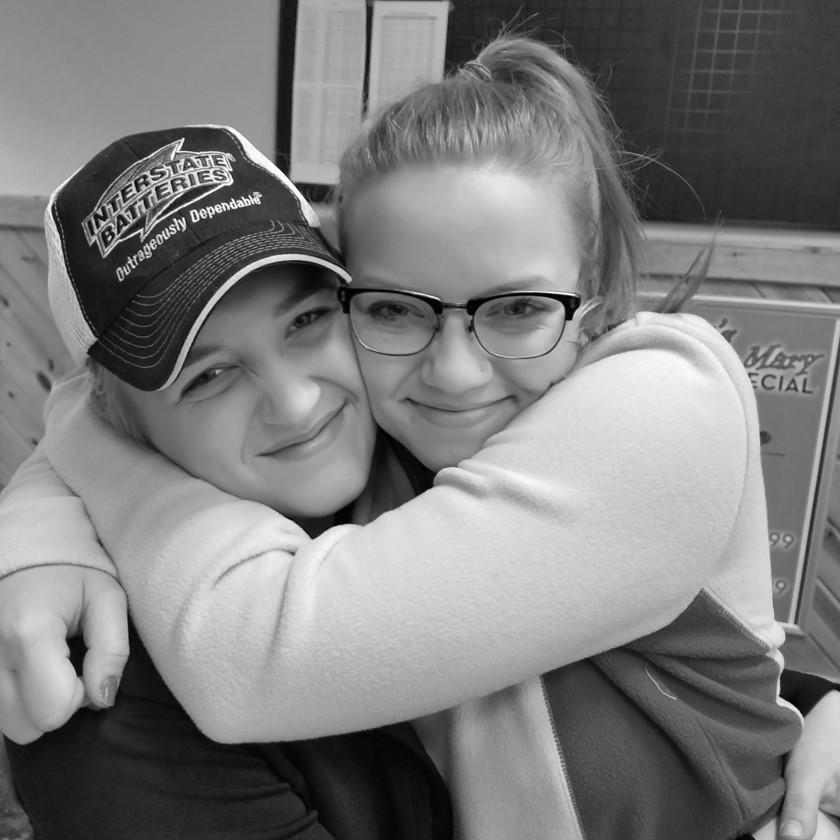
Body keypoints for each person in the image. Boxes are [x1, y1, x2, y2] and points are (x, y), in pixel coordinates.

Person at [1, 35, 839, 840]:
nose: (456, 373)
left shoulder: (665, 392)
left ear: (593, 294)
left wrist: (75, 448)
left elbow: (252, 655)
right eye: (396, 310)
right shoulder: (388, 450)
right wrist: (40, 525)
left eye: (519, 308)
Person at [0, 124, 452, 840]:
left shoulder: (445, 424)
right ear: (118, 422)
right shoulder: (103, 690)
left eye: (307, 320)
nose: (296, 404)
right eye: (209, 376)